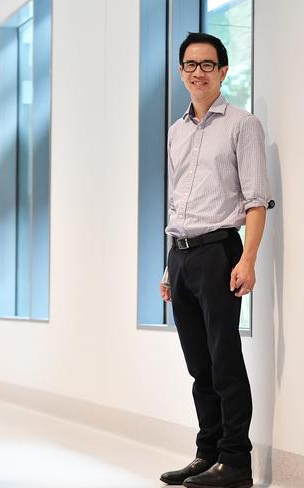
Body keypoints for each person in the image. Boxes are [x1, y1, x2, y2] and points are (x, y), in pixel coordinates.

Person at [158, 32, 273, 488]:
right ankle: (207, 454)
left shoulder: (243, 125)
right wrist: (170, 267)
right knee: (198, 365)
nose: (198, 72)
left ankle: (236, 462)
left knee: (224, 361)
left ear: (223, 71)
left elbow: (257, 200)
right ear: (181, 71)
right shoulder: (176, 130)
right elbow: (177, 203)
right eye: (190, 64)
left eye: (208, 64)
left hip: (219, 252)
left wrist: (248, 259)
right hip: (182, 256)